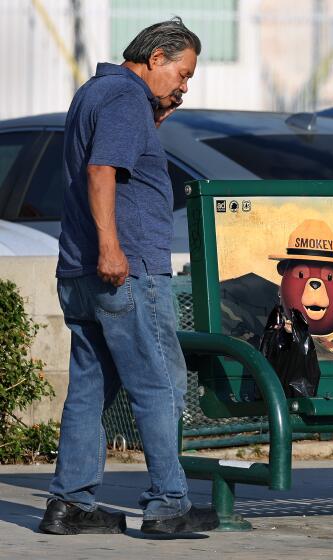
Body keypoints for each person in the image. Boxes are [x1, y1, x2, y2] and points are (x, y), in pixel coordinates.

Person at [39, 17, 219, 535]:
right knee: (159, 383)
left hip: (79, 269)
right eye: (182, 74)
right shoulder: (125, 99)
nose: (184, 86)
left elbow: (120, 165)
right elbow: (101, 173)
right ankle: (169, 505)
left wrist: (156, 120)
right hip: (125, 269)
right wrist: (113, 249)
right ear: (155, 58)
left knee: (90, 390)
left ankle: (69, 504)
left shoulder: (97, 93)